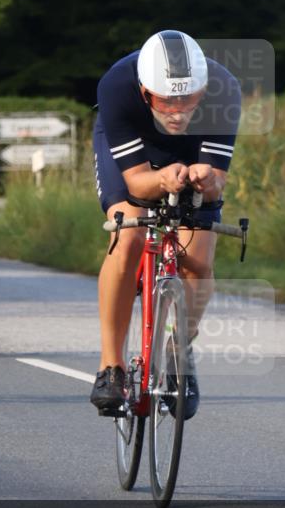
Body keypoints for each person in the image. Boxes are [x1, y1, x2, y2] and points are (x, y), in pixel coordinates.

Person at [90, 30, 241, 418]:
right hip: (134, 151)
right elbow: (138, 182)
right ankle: (111, 367)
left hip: (192, 150)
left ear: (203, 89)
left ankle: (178, 356)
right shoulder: (117, 87)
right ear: (145, 91)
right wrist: (161, 179)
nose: (177, 110)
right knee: (130, 233)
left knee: (199, 260)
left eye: (188, 99)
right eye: (166, 99)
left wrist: (208, 180)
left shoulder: (223, 89)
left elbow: (218, 182)